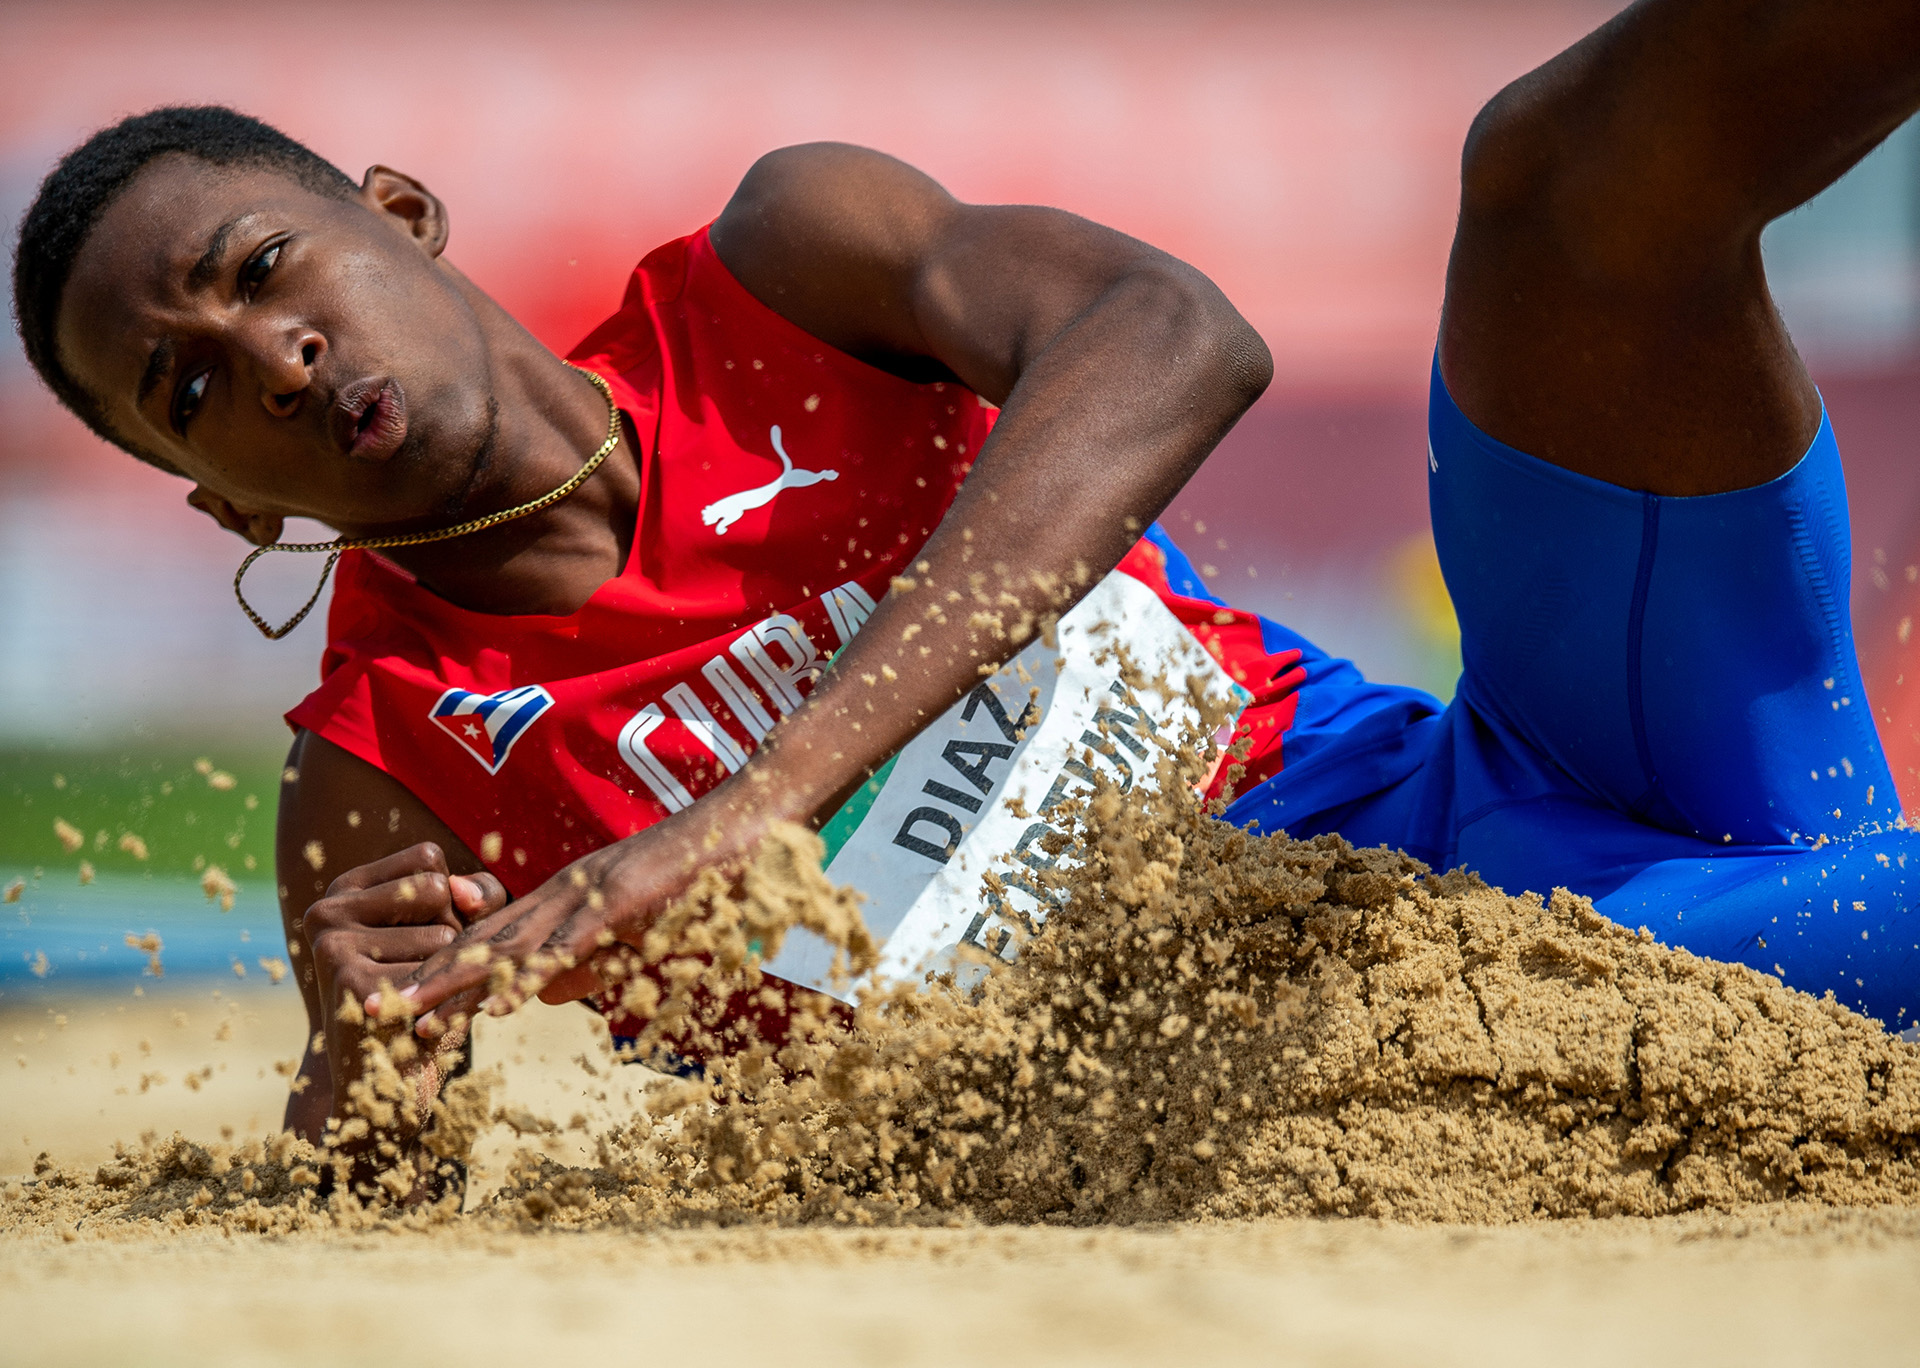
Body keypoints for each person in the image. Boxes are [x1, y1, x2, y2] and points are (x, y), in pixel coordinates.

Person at [11, 107, 1284, 1145]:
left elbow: (1183, 335)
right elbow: (366, 1234)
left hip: (1336, 828)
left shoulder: (785, 278)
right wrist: (361, 1071)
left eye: (260, 269)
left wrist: (749, 807)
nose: (275, 362)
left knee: (1501, 147)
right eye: (190, 389)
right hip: (1084, 1126)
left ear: (399, 213)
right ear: (232, 507)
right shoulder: (383, 775)